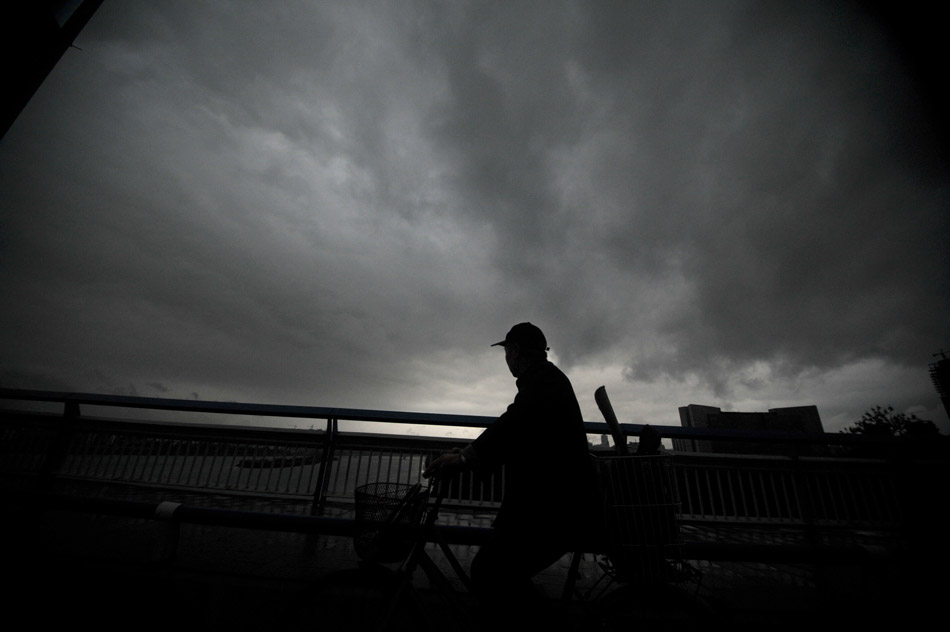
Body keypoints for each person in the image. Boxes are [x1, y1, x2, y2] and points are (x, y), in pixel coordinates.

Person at [423, 322, 598, 623]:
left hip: (553, 511)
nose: (506, 360)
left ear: (515, 351)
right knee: (504, 574)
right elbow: (515, 429)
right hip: (555, 505)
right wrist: (464, 454)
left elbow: (513, 426)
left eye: (506, 352)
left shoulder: (540, 383)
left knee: (489, 571)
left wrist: (464, 459)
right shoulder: (546, 379)